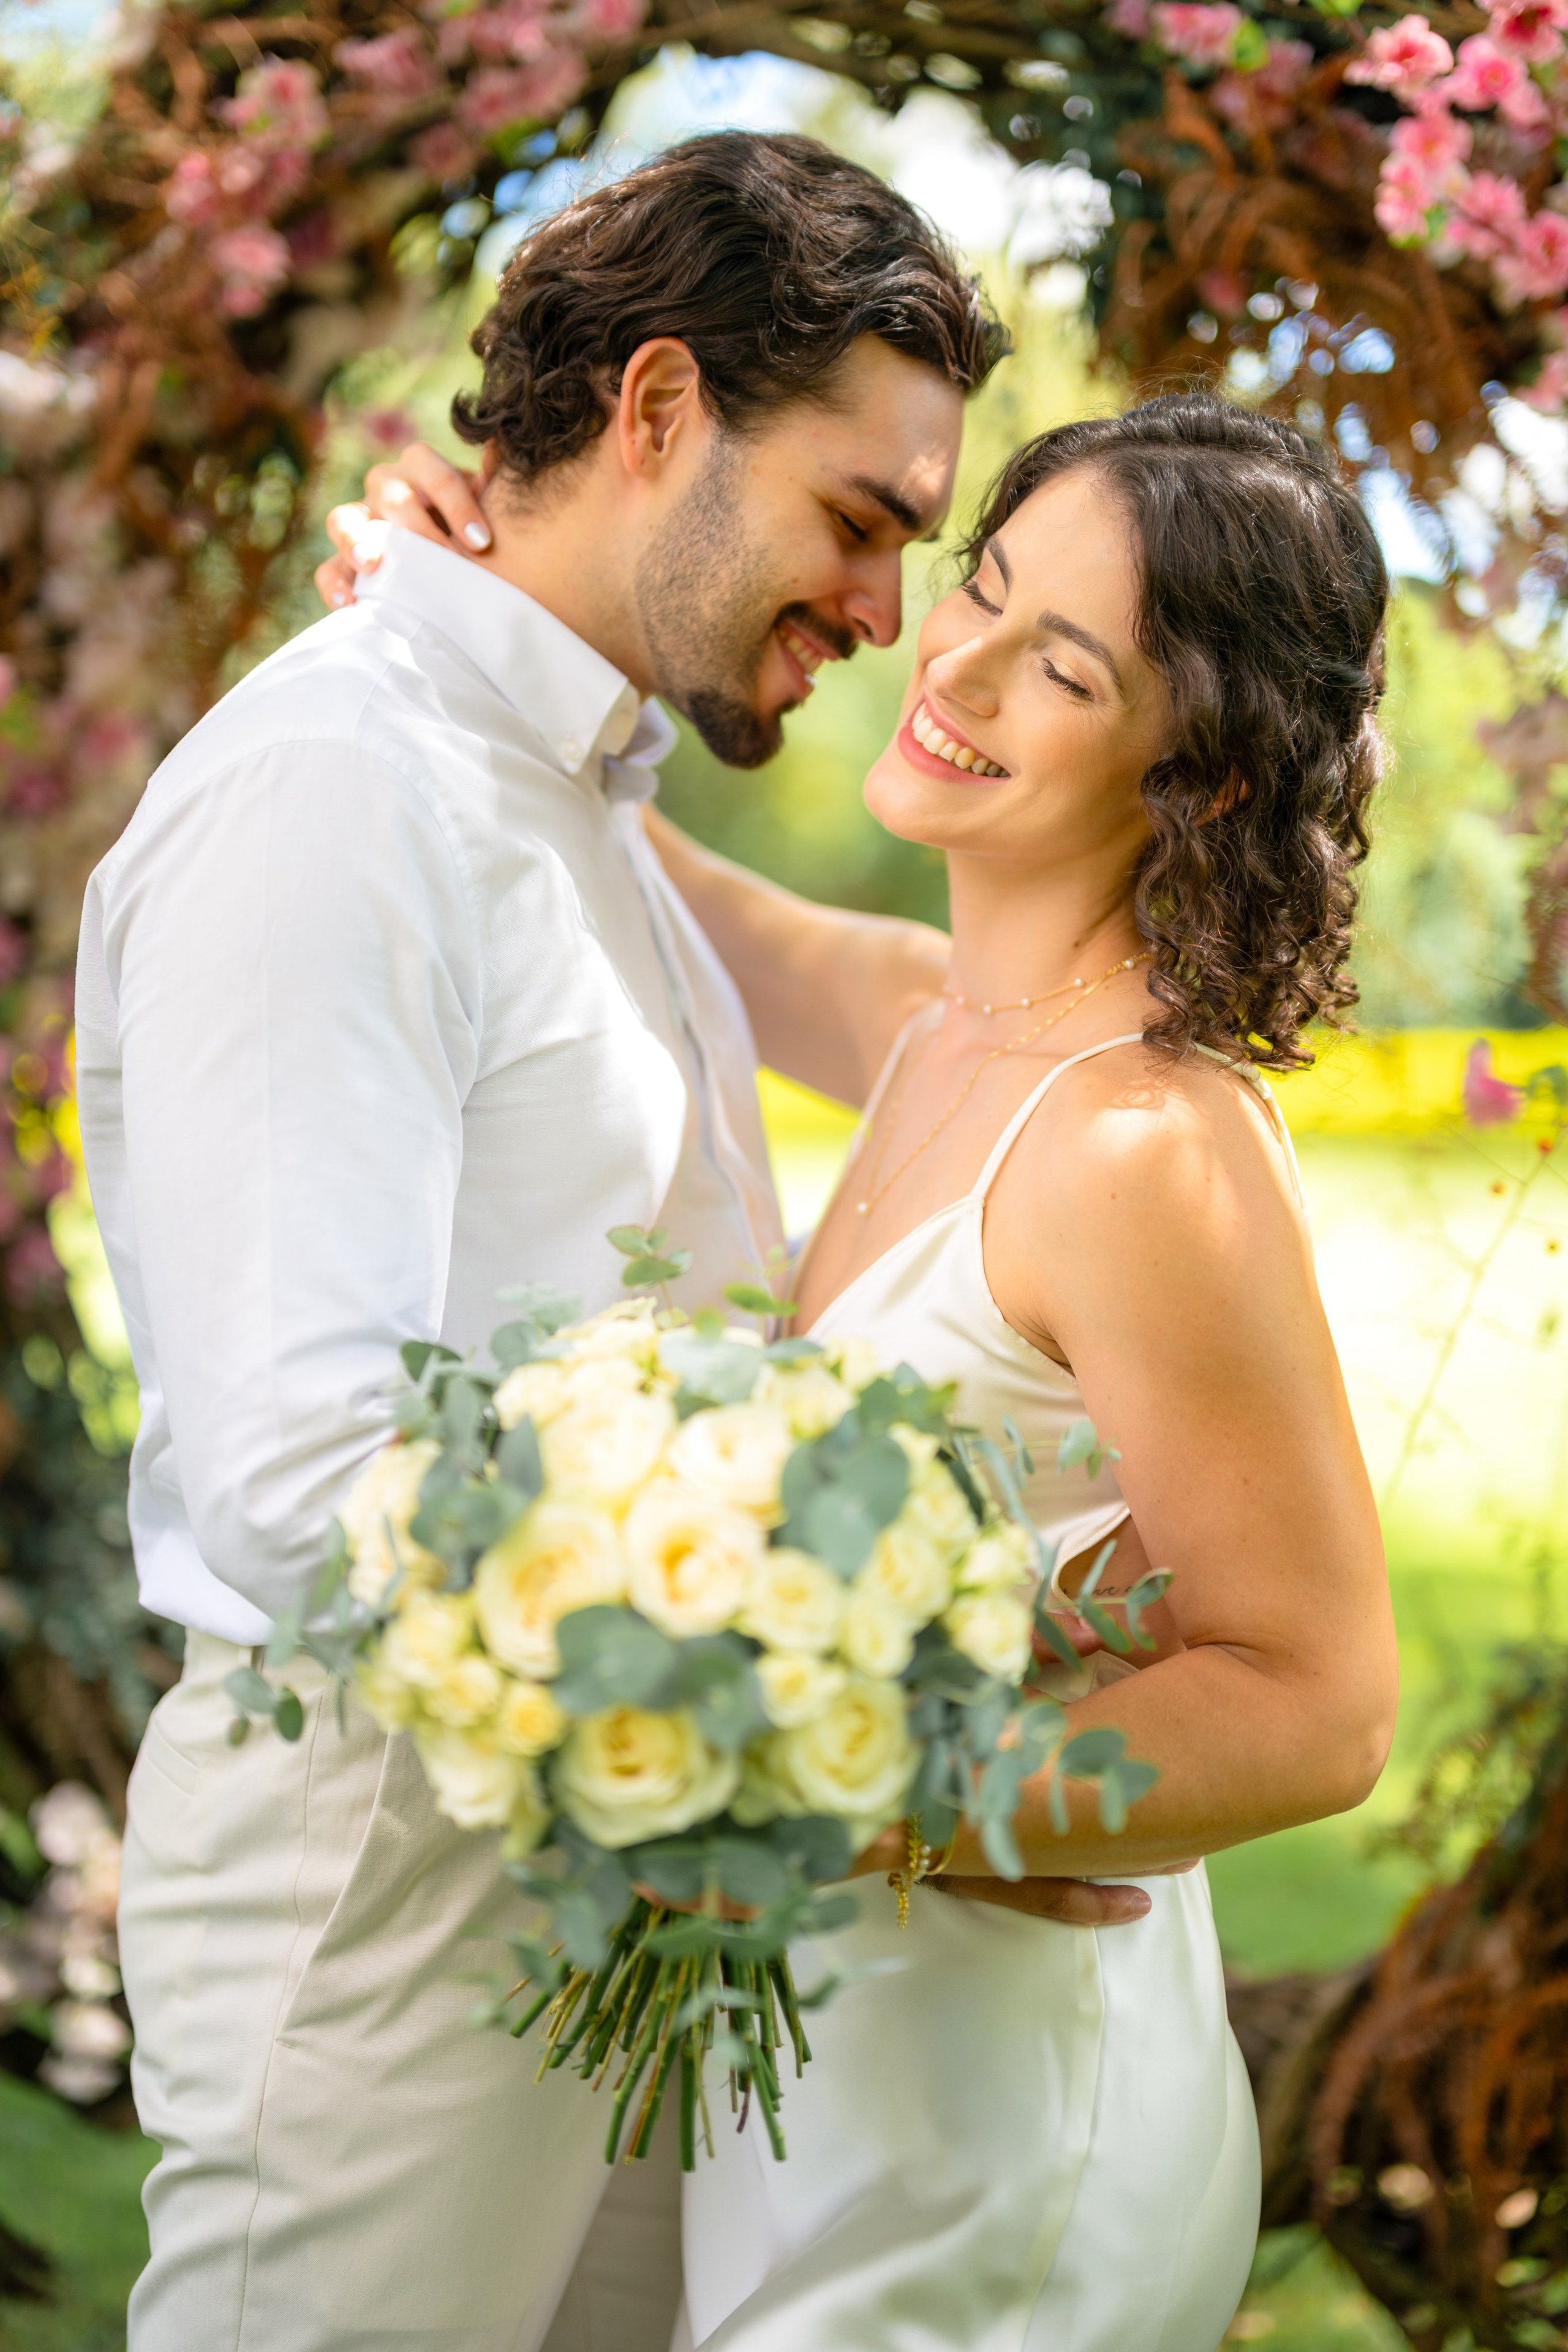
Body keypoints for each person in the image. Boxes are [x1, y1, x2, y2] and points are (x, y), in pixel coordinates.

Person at [71, 129, 1076, 2352]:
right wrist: (806, 1703)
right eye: (863, 519)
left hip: (639, 1857)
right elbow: (301, 1468)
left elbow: (918, 1046)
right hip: (390, 1868)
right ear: (655, 412)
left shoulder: (576, 794)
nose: (890, 613)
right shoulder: (339, 788)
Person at [325, 390, 1399, 2349]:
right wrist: (473, 595)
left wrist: (849, 1794)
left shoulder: (1143, 1147)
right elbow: (628, 871)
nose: (953, 664)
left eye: (1059, 664)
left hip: (1000, 2131)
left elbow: (1322, 1702)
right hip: (844, 2079)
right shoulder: (940, 1019)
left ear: (1208, 780)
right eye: (979, 588)